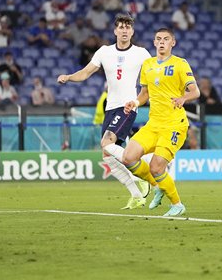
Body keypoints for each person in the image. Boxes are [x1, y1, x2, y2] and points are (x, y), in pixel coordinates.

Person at [57, 14, 152, 209]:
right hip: (110, 108)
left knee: (106, 142)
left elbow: (153, 76)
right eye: (121, 27)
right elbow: (85, 73)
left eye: (128, 27)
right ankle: (137, 194)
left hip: (127, 107)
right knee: (107, 155)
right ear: (115, 31)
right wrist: (68, 77)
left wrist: (139, 100)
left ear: (132, 31)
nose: (124, 30)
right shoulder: (104, 51)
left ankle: (141, 170)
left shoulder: (142, 53)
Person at [105, 27, 200, 217]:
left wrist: (183, 98)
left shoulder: (181, 64)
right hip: (153, 124)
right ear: (155, 43)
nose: (162, 42)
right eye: (158, 39)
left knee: (157, 167)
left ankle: (177, 204)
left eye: (166, 39)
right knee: (128, 158)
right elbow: (144, 94)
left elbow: (195, 91)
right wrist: (134, 102)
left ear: (173, 43)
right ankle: (158, 186)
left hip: (174, 124)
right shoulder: (147, 65)